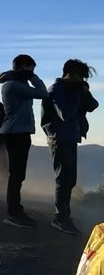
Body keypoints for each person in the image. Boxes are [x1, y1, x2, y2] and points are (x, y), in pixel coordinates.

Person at [42, 59, 99, 235]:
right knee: (63, 179)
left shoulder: (72, 89)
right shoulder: (56, 90)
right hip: (59, 138)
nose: (81, 80)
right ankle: (60, 218)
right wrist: (76, 94)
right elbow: (65, 114)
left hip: (71, 137)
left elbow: (93, 105)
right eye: (79, 77)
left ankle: (64, 215)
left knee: (70, 180)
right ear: (68, 73)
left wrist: (84, 91)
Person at [0, 54, 48, 228]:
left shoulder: (15, 83)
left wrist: (27, 77)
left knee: (17, 174)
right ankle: (13, 213)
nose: (33, 72)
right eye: (31, 69)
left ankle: (16, 209)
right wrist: (33, 78)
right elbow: (43, 93)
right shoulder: (14, 85)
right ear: (23, 67)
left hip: (17, 132)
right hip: (16, 133)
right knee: (16, 174)